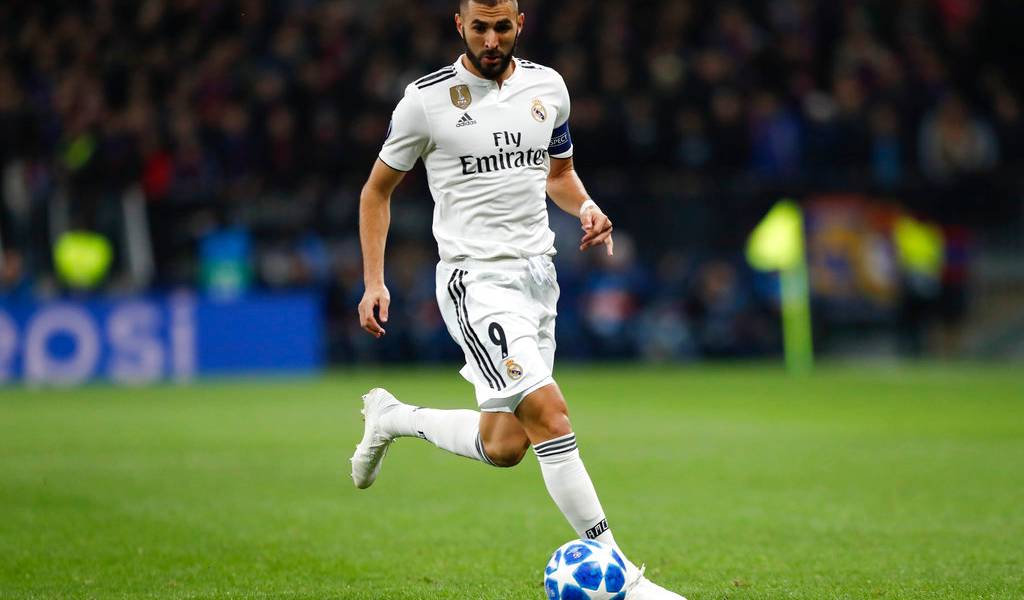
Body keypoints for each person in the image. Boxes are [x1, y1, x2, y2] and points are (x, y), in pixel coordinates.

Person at [352, 1, 685, 598]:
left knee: (506, 445)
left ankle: (393, 418)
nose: (490, 39)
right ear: (460, 25)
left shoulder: (547, 88)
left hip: (538, 279)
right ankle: (623, 576)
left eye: (501, 27)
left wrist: (586, 206)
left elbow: (559, 174)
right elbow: (377, 191)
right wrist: (374, 280)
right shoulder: (425, 101)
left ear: (520, 24)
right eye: (479, 27)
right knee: (551, 415)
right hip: (476, 283)